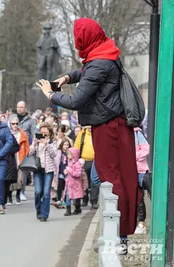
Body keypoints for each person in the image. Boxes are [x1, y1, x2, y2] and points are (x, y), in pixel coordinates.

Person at [38, 18, 139, 243]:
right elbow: (87, 70)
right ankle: (119, 230)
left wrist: (51, 95)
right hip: (110, 123)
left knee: (111, 178)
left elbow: (77, 100)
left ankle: (119, 236)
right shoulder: (104, 51)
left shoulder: (100, 62)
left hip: (108, 126)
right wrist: (67, 77)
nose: (77, 43)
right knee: (105, 175)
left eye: (78, 38)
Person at [29, 124, 57, 221]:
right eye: (42, 131)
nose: (43, 133)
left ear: (49, 132)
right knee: (38, 192)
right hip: (37, 169)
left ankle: (44, 214)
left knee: (46, 193)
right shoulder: (36, 141)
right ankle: (38, 208)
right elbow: (30, 153)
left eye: (45, 131)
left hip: (48, 170)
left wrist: (46, 144)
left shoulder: (53, 142)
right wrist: (34, 143)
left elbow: (54, 155)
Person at [7, 115, 30, 205]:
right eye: (13, 123)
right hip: (10, 158)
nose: (15, 125)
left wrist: (25, 156)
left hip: (20, 158)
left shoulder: (22, 134)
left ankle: (18, 194)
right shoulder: (7, 133)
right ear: (10, 124)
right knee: (10, 178)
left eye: (17, 123)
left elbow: (27, 147)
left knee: (20, 179)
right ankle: (9, 196)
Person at [73, 127, 97, 208]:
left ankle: (94, 201)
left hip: (95, 160)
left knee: (94, 181)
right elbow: (76, 147)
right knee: (84, 181)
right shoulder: (82, 134)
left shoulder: (97, 132)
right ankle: (85, 199)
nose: (90, 127)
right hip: (84, 160)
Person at [134, 127, 150, 234]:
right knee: (137, 198)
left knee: (141, 197)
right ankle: (140, 223)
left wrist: (134, 157)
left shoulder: (136, 133)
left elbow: (146, 149)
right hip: (129, 171)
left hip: (141, 171)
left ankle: (141, 223)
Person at [64, 147, 85, 216]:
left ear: (74, 155)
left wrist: (69, 170)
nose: (68, 156)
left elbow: (78, 174)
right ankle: (68, 209)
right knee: (68, 195)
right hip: (69, 182)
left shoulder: (77, 164)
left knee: (76, 196)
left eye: (69, 154)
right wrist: (66, 171)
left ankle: (77, 208)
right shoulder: (69, 162)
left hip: (76, 183)